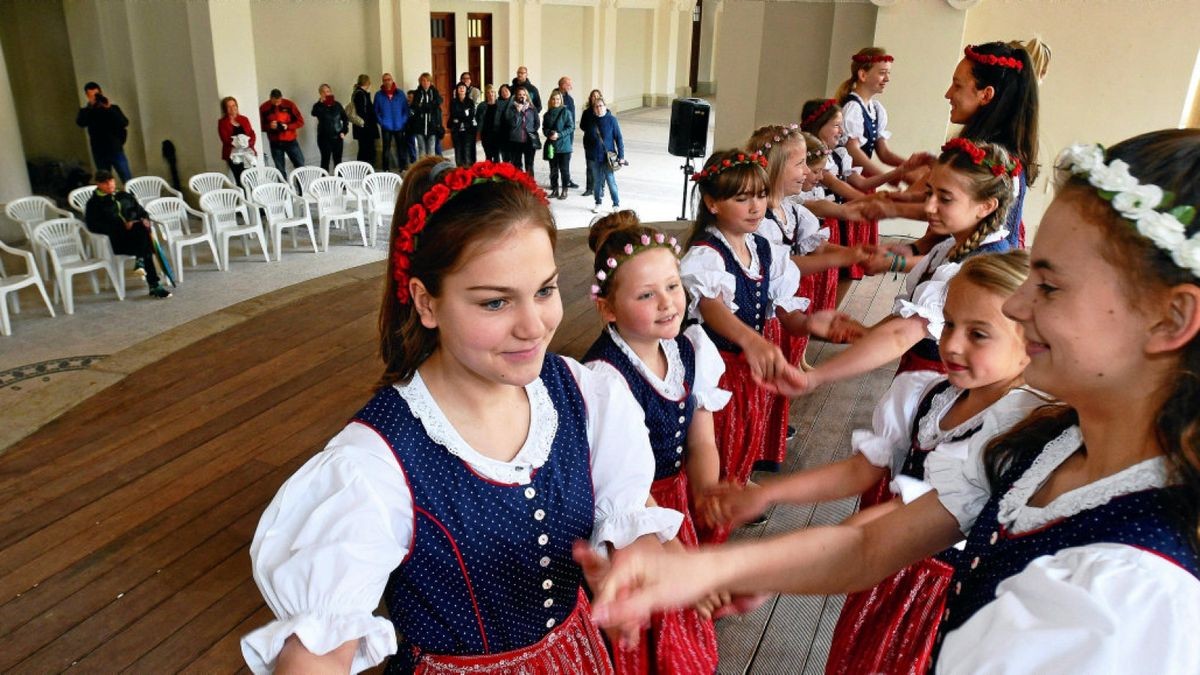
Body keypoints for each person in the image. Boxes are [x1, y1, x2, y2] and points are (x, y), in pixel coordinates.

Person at [585, 129, 1200, 674]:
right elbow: (871, 544)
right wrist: (703, 571)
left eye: (1051, 285)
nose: (1017, 306)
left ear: (1171, 318)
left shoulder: (1129, 595)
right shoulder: (1042, 437)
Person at [240, 157, 683, 673]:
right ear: (427, 304)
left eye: (544, 291)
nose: (533, 326)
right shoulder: (377, 462)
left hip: (577, 656)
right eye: (495, 303)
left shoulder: (584, 395)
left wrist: (630, 560)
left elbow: (629, 509)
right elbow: (316, 652)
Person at [710, 251, 1046, 673]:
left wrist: (777, 572)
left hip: (945, 603)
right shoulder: (927, 394)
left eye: (979, 334)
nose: (952, 344)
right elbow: (863, 468)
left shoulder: (1014, 430)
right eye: (950, 323)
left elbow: (896, 521)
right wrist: (769, 494)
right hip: (888, 575)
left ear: (1032, 343)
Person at [583, 212, 722, 675]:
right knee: (651, 627)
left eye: (673, 286)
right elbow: (625, 489)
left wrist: (709, 494)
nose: (667, 303)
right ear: (608, 308)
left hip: (672, 502)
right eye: (646, 295)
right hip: (629, 517)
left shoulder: (689, 349)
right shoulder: (604, 378)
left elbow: (701, 436)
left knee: (682, 617)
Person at [681, 149, 829, 543]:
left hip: (749, 374)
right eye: (741, 197)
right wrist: (751, 339)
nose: (755, 206)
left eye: (760, 195)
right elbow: (712, 308)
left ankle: (723, 524)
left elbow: (783, 310)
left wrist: (817, 324)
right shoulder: (705, 255)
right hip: (718, 373)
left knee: (743, 449)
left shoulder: (764, 250)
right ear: (712, 202)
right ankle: (702, 541)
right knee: (714, 455)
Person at [797, 138, 1020, 390]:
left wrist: (814, 378)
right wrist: (863, 332)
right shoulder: (952, 246)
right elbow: (908, 317)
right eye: (929, 193)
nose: (929, 206)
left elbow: (901, 335)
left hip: (938, 383)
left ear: (986, 206)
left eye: (944, 199)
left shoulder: (969, 267)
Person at [747, 124, 872, 470]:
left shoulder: (791, 211)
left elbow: (814, 243)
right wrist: (847, 256)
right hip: (763, 312)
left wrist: (856, 253)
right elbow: (785, 263)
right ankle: (752, 449)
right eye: (800, 164)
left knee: (779, 374)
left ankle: (766, 442)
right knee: (762, 382)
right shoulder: (760, 221)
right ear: (773, 166)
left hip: (781, 308)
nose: (807, 171)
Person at [83, 170, 171, 299]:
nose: (109, 184)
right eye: (105, 183)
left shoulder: (124, 196)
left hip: (137, 237)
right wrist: (120, 226)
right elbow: (93, 226)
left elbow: (142, 212)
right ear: (98, 184)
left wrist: (144, 219)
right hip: (118, 240)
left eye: (111, 181)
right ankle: (154, 285)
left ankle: (142, 264)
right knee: (145, 243)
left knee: (142, 229)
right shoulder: (94, 204)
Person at [834, 47, 907, 178]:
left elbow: (884, 154)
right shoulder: (853, 108)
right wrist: (883, 176)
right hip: (850, 178)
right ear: (863, 75)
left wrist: (910, 166)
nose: (887, 79)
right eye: (882, 73)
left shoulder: (876, 109)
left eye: (888, 73)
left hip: (864, 177)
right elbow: (853, 151)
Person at [75, 82, 132, 182]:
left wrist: (109, 108)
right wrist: (90, 107)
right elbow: (81, 123)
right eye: (91, 96)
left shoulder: (113, 108)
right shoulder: (86, 111)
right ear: (87, 96)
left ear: (101, 93)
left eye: (96, 95)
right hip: (99, 152)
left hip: (115, 149)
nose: (95, 98)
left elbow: (124, 122)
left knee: (127, 178)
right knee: (104, 181)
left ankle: (131, 196)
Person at [586, 98, 625, 214]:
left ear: (605, 106)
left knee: (611, 181)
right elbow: (588, 138)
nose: (599, 108)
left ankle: (616, 203)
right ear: (594, 109)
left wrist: (621, 156)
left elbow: (618, 138)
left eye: (601, 106)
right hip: (594, 157)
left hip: (608, 158)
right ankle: (598, 202)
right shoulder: (591, 120)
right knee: (597, 183)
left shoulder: (611, 120)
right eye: (596, 106)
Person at [259, 89, 305, 174]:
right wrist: (269, 126)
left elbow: (300, 122)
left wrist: (288, 126)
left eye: (279, 101)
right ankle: (283, 187)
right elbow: (259, 126)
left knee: (300, 164)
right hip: (275, 142)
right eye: (275, 102)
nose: (277, 104)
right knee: (280, 169)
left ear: (281, 98)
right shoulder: (264, 108)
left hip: (290, 140)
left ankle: (301, 186)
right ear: (270, 98)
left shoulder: (289, 105)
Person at [541, 89, 574, 199]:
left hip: (564, 147)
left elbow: (571, 127)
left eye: (558, 99)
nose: (556, 101)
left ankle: (564, 190)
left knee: (564, 170)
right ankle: (554, 189)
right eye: (554, 99)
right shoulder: (547, 115)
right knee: (553, 170)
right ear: (550, 100)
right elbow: (544, 128)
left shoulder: (566, 112)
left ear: (561, 100)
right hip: (552, 146)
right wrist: (549, 133)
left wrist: (559, 135)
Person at [217, 96, 257, 187]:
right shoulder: (222, 122)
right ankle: (244, 199)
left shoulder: (244, 119)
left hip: (248, 152)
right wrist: (238, 143)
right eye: (229, 106)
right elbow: (225, 139)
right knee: (240, 179)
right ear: (225, 109)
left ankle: (253, 199)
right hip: (234, 154)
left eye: (234, 105)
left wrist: (248, 143)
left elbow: (252, 133)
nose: (232, 108)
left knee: (251, 177)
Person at [374, 73, 410, 172]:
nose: (387, 82)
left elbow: (406, 110)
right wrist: (382, 122)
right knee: (386, 149)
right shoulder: (378, 95)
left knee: (401, 148)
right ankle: (385, 169)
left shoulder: (400, 93)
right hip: (386, 126)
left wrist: (403, 121)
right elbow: (376, 111)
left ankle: (402, 167)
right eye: (385, 80)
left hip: (399, 125)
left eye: (389, 79)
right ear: (382, 82)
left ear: (392, 80)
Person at [311, 84, 349, 172]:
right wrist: (321, 103)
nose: (326, 94)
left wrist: (344, 131)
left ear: (330, 92)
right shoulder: (318, 106)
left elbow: (345, 119)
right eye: (323, 92)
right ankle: (324, 183)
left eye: (327, 91)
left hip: (338, 137)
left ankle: (339, 183)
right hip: (324, 138)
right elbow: (313, 113)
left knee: (338, 162)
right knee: (325, 161)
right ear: (320, 94)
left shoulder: (337, 105)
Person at [506, 86, 540, 178]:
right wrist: (518, 111)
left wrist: (531, 130)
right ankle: (519, 184)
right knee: (516, 165)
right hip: (515, 140)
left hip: (529, 141)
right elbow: (512, 124)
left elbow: (537, 123)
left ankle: (530, 184)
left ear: (527, 96)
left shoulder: (532, 108)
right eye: (519, 94)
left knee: (529, 165)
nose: (522, 96)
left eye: (524, 94)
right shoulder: (512, 108)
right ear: (516, 96)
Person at [408, 73, 444, 158]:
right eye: (423, 80)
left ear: (430, 82)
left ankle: (431, 169)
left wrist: (425, 107)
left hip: (432, 127)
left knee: (431, 150)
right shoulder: (417, 93)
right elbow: (416, 107)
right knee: (422, 150)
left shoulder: (435, 93)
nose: (425, 82)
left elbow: (438, 103)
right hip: (419, 127)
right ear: (420, 82)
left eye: (427, 80)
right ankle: (422, 169)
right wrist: (427, 107)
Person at [349, 74, 379, 166]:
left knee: (363, 149)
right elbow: (363, 112)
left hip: (361, 127)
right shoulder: (361, 94)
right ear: (367, 82)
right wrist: (369, 124)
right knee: (366, 150)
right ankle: (366, 170)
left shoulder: (357, 93)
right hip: (365, 127)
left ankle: (364, 169)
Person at [579, 89, 604, 197]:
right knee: (590, 166)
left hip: (601, 144)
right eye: (593, 96)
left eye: (597, 96)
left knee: (601, 167)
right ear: (590, 98)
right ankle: (589, 188)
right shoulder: (587, 112)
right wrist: (590, 131)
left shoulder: (605, 111)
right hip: (589, 143)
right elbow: (582, 126)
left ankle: (601, 188)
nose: (595, 98)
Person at [448, 83, 477, 167]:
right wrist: (464, 113)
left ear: (466, 90)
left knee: (467, 150)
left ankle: (468, 169)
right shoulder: (453, 102)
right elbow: (453, 114)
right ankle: (459, 169)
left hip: (468, 129)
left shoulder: (470, 101)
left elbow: (471, 116)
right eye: (459, 87)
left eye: (463, 87)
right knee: (458, 150)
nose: (461, 89)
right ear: (456, 90)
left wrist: (460, 117)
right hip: (456, 130)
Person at [477, 85, 503, 163]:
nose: (490, 94)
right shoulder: (481, 106)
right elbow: (477, 118)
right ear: (486, 94)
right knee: (488, 155)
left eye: (492, 92)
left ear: (495, 93)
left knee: (496, 155)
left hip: (497, 134)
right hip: (485, 134)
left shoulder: (500, 105)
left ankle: (497, 173)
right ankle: (488, 173)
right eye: (488, 92)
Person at [493, 84, 514, 163]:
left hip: (512, 131)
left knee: (513, 155)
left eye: (506, 90)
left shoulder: (515, 102)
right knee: (504, 154)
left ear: (510, 91)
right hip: (501, 132)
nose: (504, 93)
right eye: (502, 91)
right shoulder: (497, 103)